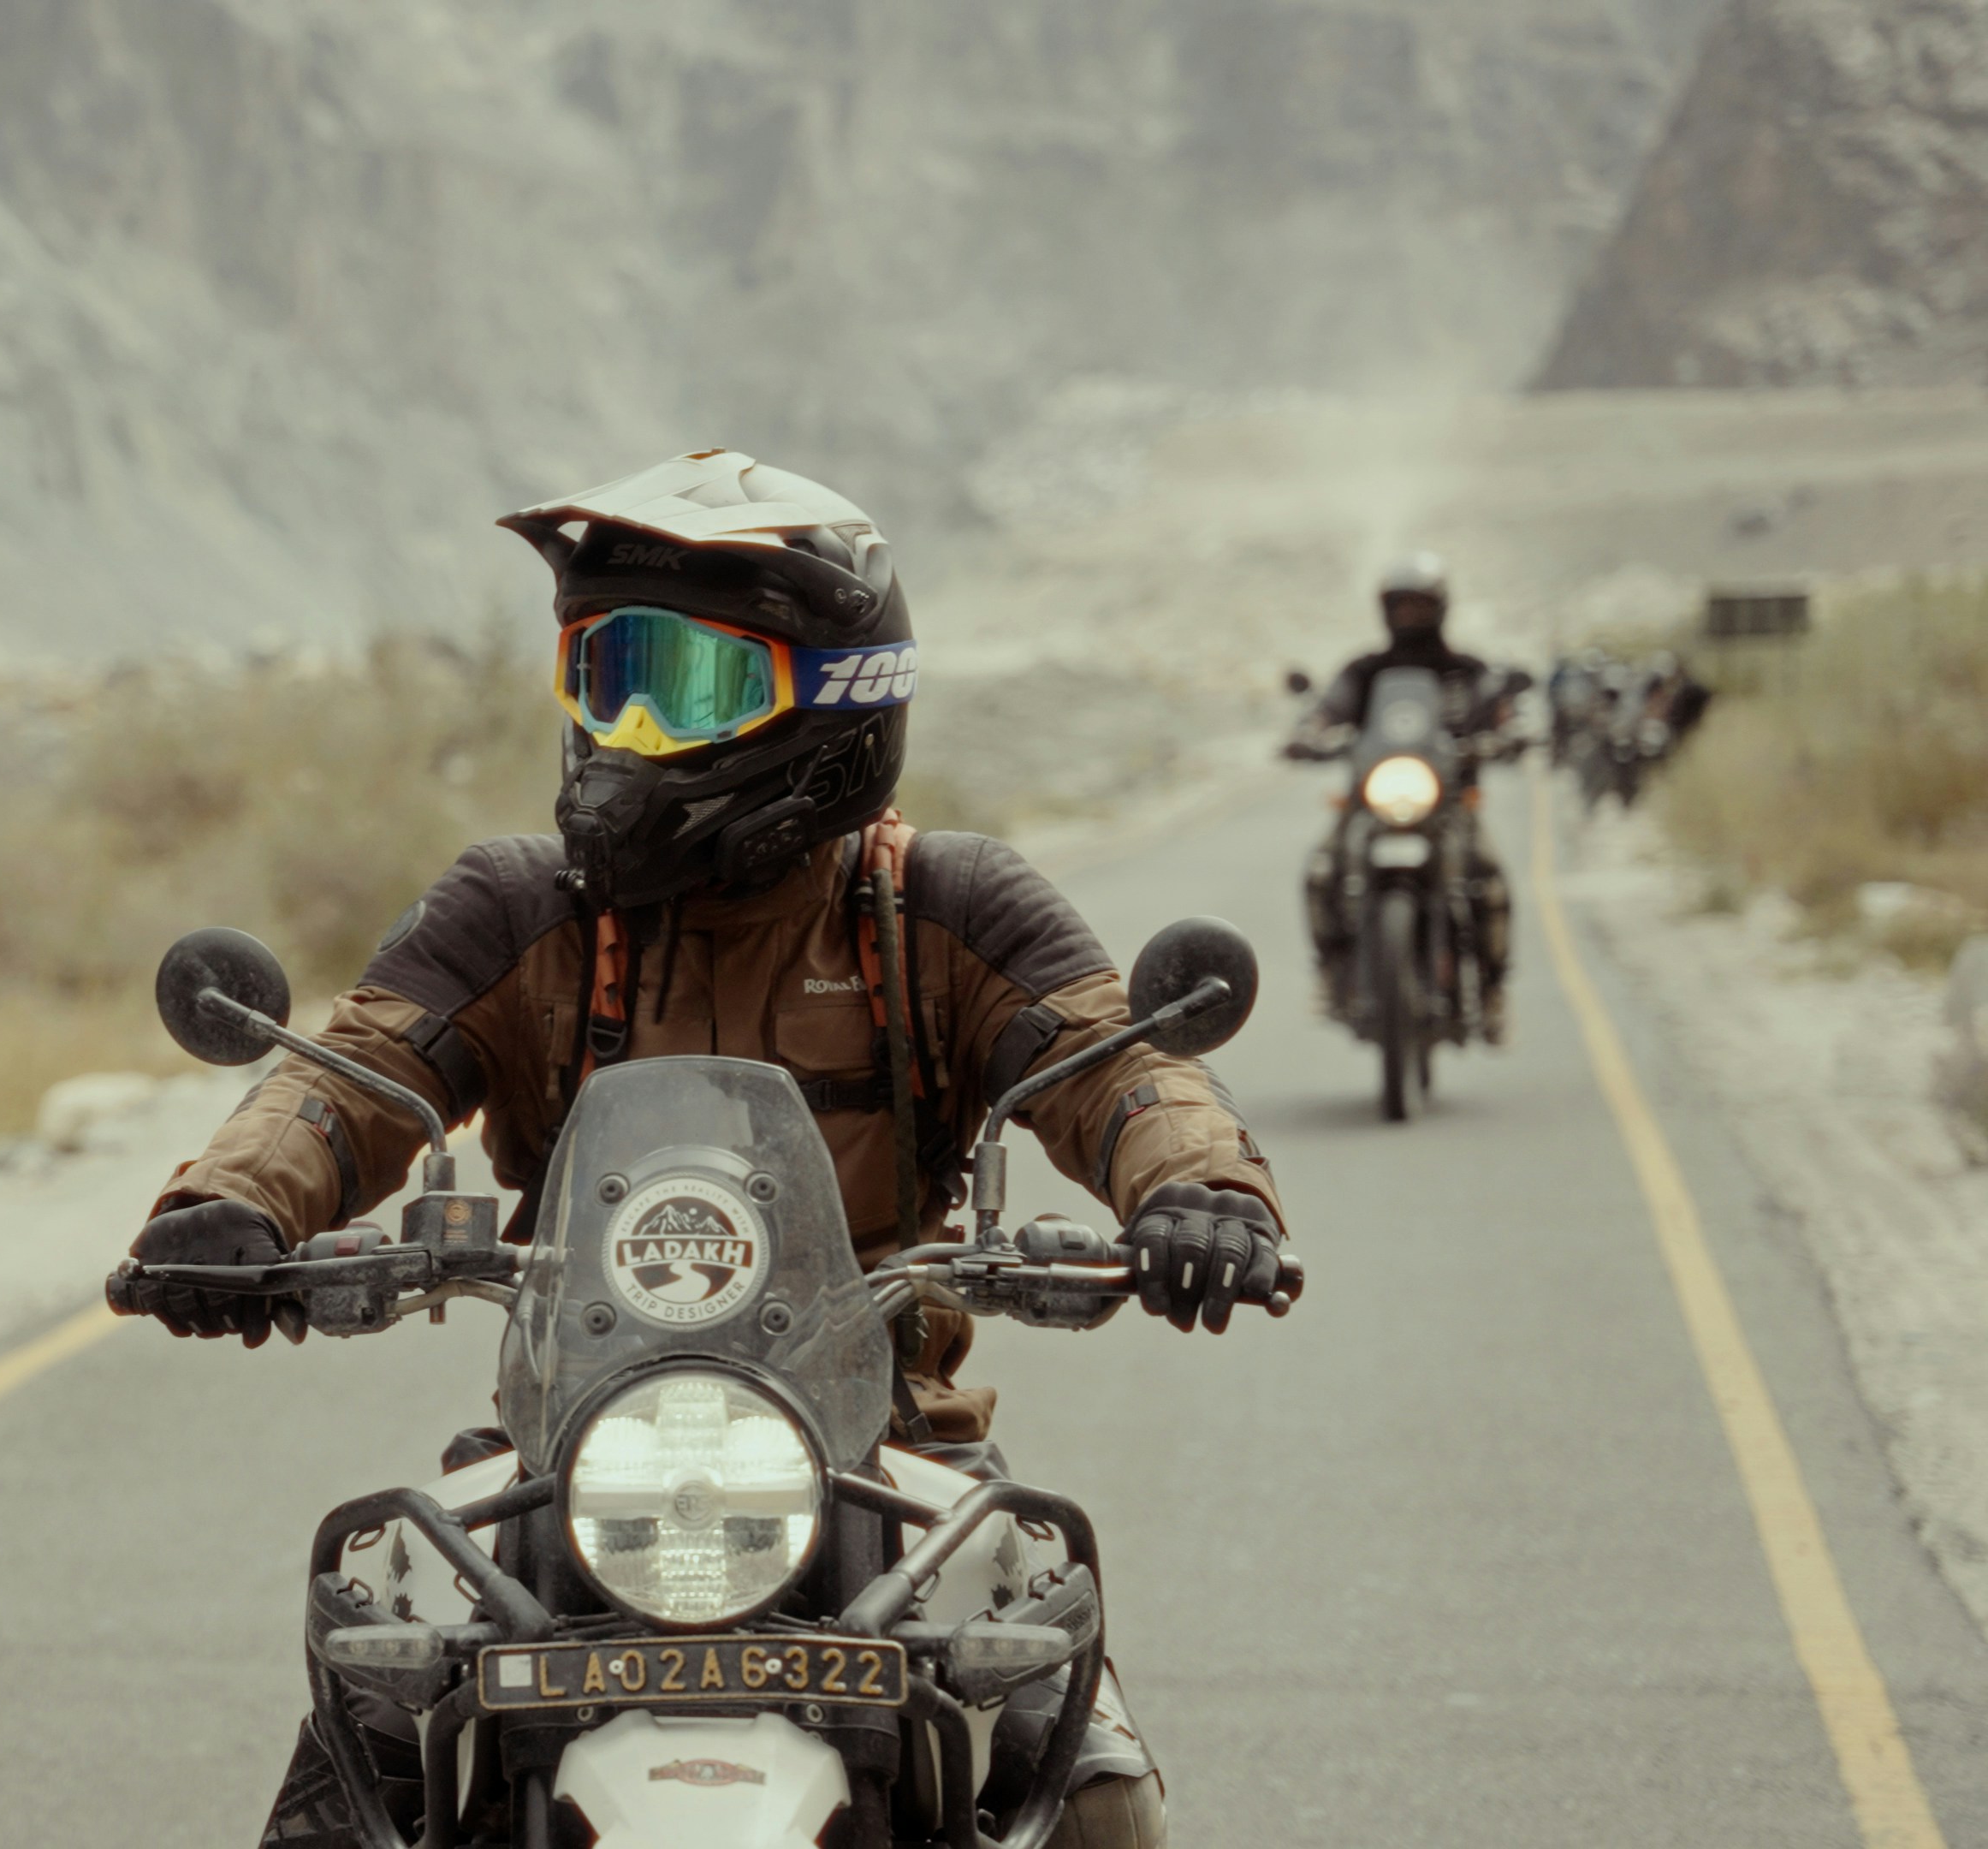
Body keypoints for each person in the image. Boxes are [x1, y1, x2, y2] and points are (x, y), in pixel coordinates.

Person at [123, 450, 1297, 1848]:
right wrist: (236, 1202)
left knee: (1094, 1788)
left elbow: (1120, 1068)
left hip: (897, 1456)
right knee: (358, 1755)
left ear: (838, 699)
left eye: (685, 685)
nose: (624, 730)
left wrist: (1199, 1191)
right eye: (601, 675)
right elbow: (355, 1072)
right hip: (565, 1454)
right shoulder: (515, 908)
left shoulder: (948, 906)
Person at [1284, 554, 1517, 1043]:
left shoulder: (1466, 670)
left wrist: (1509, 730)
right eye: (1401, 605)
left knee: (1491, 881)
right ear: (1386, 610)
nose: (1410, 614)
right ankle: (1330, 971)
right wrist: (1309, 731)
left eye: (1419, 605)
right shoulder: (1367, 671)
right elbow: (1330, 707)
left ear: (1440, 608)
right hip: (1371, 803)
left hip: (1451, 804)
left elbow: (1500, 710)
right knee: (1320, 872)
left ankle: (1494, 990)